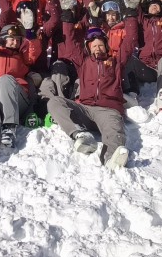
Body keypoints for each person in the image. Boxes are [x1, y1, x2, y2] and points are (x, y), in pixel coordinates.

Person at [48, 16, 140, 169]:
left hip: (108, 111)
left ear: (106, 46)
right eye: (94, 46)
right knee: (55, 102)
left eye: (100, 45)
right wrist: (67, 16)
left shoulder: (116, 62)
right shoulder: (83, 62)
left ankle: (111, 158)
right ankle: (79, 135)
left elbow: (130, 41)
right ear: (89, 48)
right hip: (85, 109)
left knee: (115, 130)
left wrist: (130, 15)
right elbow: (71, 42)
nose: (97, 48)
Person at [0, 21, 43, 161]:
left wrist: (30, 31)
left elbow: (33, 51)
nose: (15, 42)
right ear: (3, 39)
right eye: (12, 39)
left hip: (17, 99)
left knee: (5, 79)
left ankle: (9, 127)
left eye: (18, 40)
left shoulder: (22, 57)